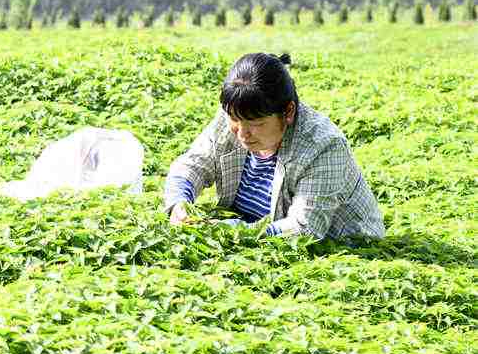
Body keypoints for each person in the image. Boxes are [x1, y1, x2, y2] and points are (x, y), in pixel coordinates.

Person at [164, 52, 384, 240]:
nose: (242, 133)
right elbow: (192, 164)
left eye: (256, 124)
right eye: (234, 119)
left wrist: (230, 232)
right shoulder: (237, 113)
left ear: (288, 112)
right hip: (252, 230)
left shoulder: (324, 146)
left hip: (339, 246)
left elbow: (304, 229)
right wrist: (180, 204)